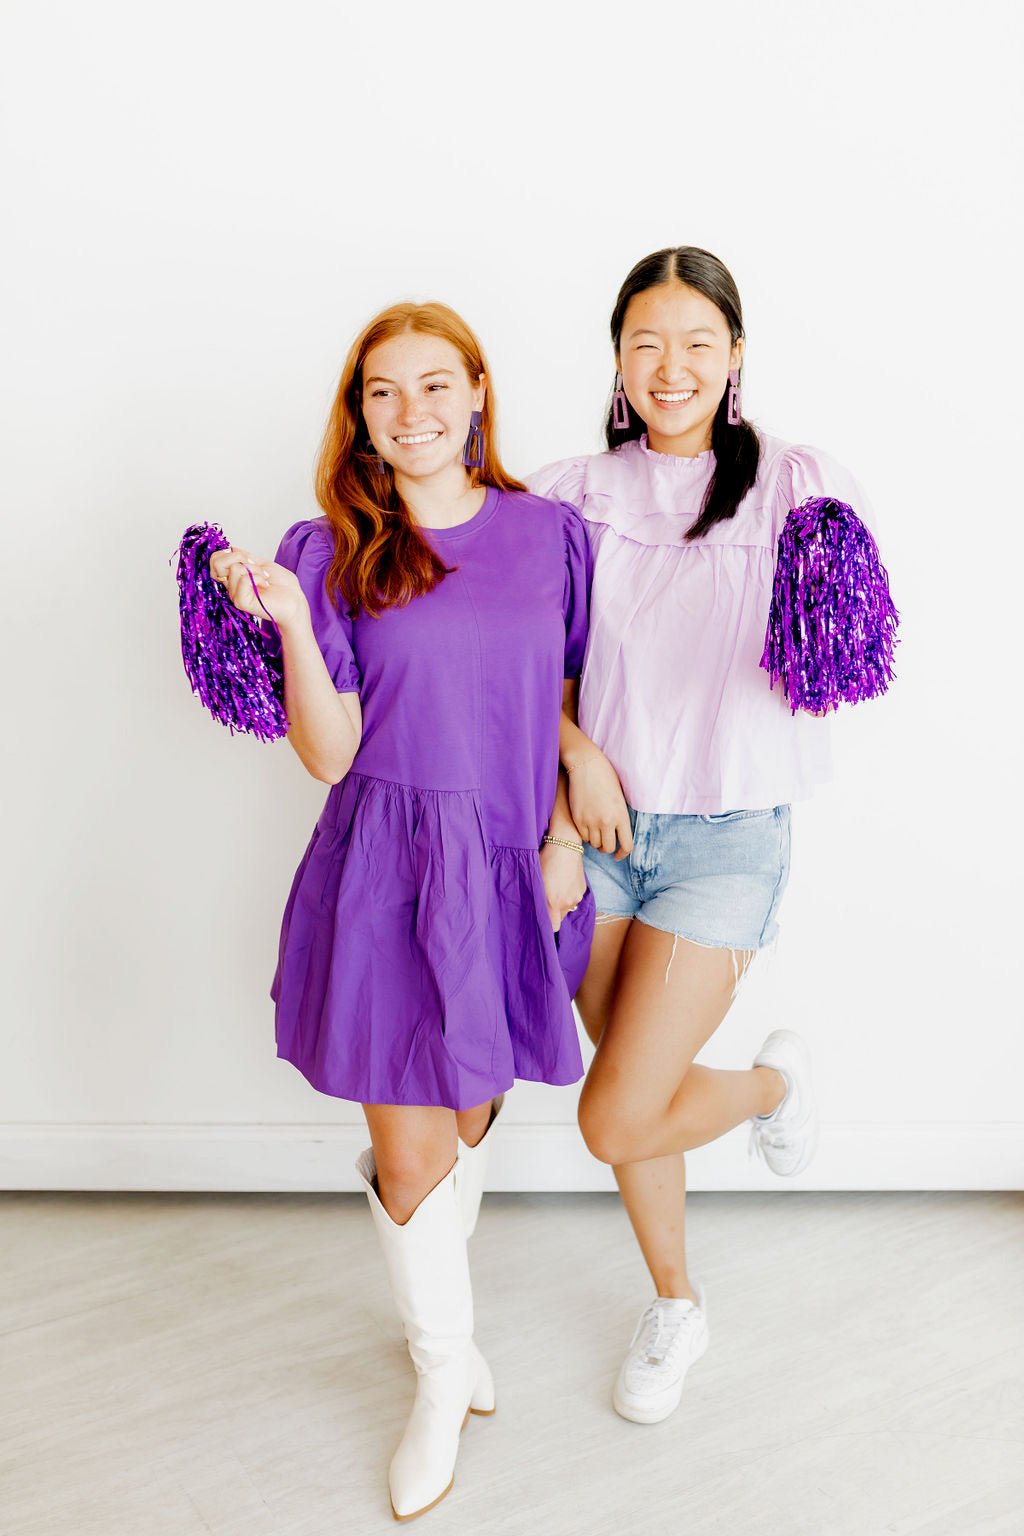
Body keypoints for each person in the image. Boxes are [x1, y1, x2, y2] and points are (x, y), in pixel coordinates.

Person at [211, 301, 595, 1520]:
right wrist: (288, 622)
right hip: (384, 870)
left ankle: (446, 1327)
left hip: (510, 863)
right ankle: (439, 1375)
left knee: (470, 1107)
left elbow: (567, 702)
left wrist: (564, 835)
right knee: (413, 1146)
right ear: (359, 415)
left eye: (435, 384)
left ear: (477, 392)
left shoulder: (550, 535)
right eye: (383, 391)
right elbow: (328, 753)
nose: (411, 410)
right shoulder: (326, 551)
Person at [529, 245, 895, 1428]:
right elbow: (523, 667)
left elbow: (844, 654)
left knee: (614, 1113)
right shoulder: (573, 496)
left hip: (727, 843)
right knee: (633, 1095)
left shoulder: (798, 484)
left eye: (697, 342)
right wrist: (577, 766)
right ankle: (676, 1303)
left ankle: (776, 1084)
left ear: (735, 355)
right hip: (599, 836)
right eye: (646, 343)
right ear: (617, 359)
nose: (670, 366)